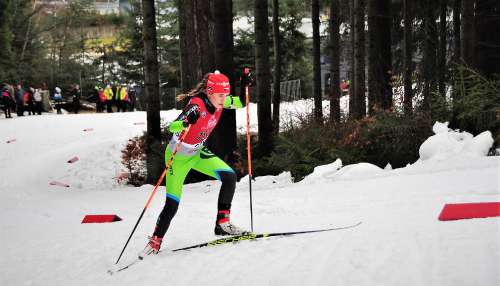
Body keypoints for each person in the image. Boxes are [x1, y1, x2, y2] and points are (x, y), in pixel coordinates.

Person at [142, 71, 245, 256]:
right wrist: (185, 121)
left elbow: (239, 102)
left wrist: (244, 87)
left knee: (229, 176)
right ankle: (155, 241)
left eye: (226, 95)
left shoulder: (220, 101)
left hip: (197, 153)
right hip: (178, 157)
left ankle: (222, 224)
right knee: (172, 204)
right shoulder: (196, 105)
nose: (225, 99)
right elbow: (172, 127)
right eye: (221, 95)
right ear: (210, 92)